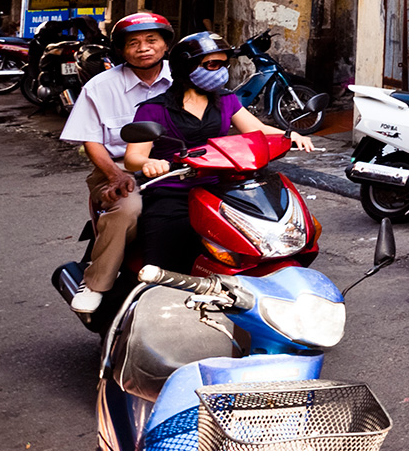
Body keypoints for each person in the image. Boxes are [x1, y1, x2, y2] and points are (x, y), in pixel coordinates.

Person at [122, 32, 316, 274]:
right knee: (162, 268)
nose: (221, 71)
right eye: (212, 65)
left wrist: (289, 135)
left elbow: (257, 129)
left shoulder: (226, 99)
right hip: (174, 192)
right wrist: (151, 163)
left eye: (224, 64)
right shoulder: (154, 109)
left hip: (220, 187)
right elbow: (133, 157)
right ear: (186, 66)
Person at [59, 12, 176, 314]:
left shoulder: (184, 78)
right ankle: (97, 283)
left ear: (166, 45)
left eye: (152, 40)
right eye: (133, 43)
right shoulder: (100, 87)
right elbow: (91, 141)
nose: (143, 48)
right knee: (128, 208)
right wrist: (114, 175)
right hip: (119, 168)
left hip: (179, 167)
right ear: (122, 50)